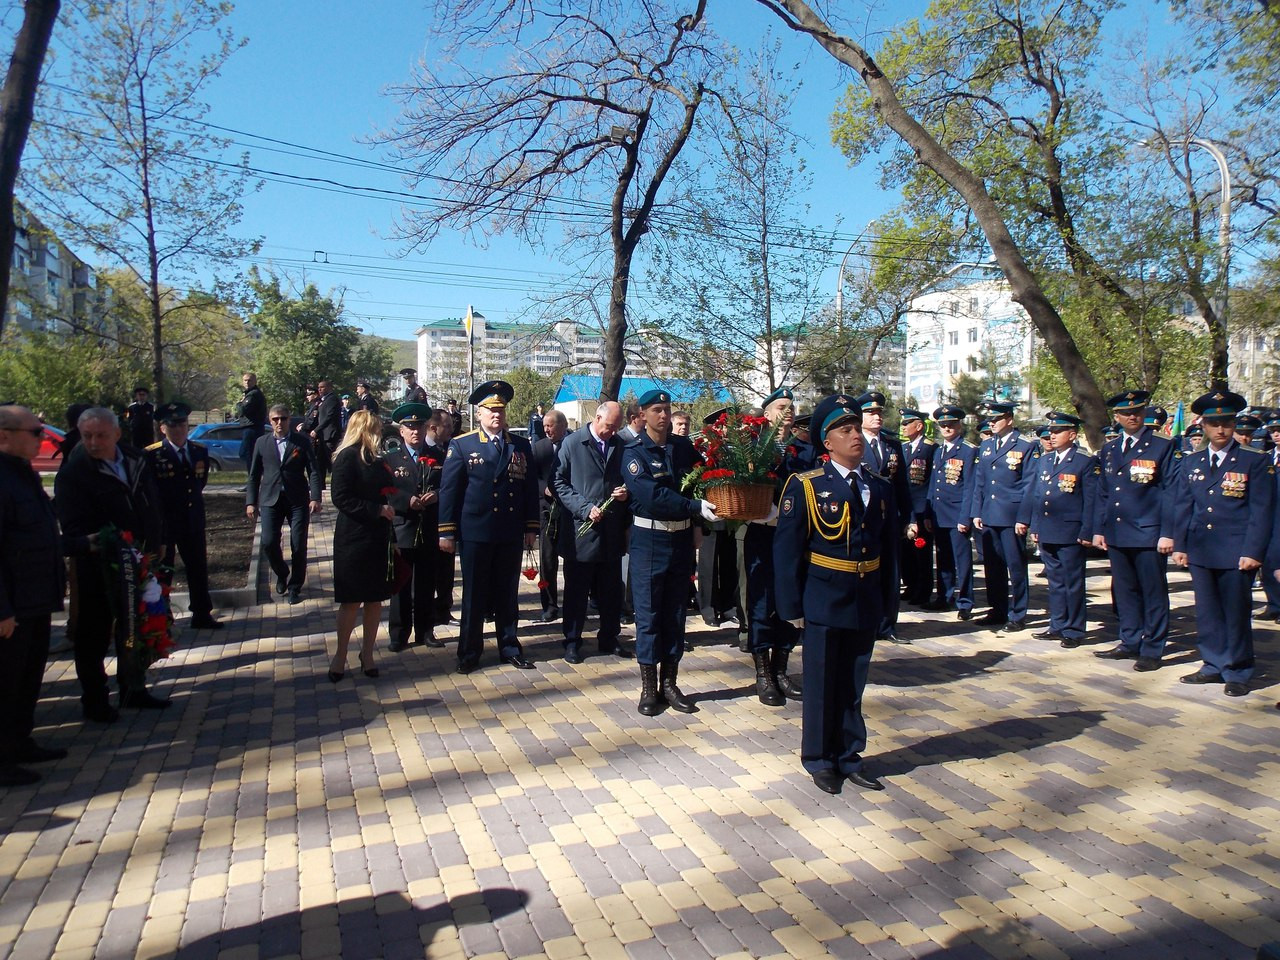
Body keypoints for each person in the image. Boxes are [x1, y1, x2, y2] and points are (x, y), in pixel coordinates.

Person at [774, 394, 896, 794]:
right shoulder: (807, 486)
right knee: (822, 683)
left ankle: (849, 755)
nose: (855, 435)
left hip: (864, 596)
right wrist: (791, 606)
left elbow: (888, 549)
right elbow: (788, 551)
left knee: (853, 683)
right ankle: (819, 758)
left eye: (857, 427)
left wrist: (888, 603)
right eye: (845, 430)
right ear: (827, 442)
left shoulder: (878, 486)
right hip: (824, 598)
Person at [55, 407, 166, 719]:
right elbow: (72, 528)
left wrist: (158, 539)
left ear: (117, 434)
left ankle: (133, 688)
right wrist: (105, 542)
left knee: (135, 625)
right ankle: (95, 700)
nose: (93, 442)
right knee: (93, 633)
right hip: (97, 564)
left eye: (101, 435)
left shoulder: (136, 459)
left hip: (139, 558)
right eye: (87, 436)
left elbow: (152, 503)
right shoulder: (74, 473)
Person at [1171, 391, 1274, 698]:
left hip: (1236, 550)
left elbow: (1262, 510)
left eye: (1227, 423)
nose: (1221, 429)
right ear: (1203, 426)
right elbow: (1183, 506)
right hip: (1202, 547)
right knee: (1207, 611)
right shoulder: (1192, 461)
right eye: (1214, 424)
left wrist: (1253, 551)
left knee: (1235, 612)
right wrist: (1180, 545)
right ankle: (1212, 663)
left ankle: (1237, 669)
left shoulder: (1254, 460)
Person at [623, 389, 718, 716]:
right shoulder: (634, 452)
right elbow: (653, 497)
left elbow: (704, 476)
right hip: (650, 540)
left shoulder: (683, 447)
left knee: (676, 614)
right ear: (642, 415)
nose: (663, 415)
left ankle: (670, 683)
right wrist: (694, 507)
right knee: (649, 616)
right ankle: (649, 688)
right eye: (656, 410)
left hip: (680, 541)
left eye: (667, 409)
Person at [438, 380, 540, 674]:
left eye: (501, 410)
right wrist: (446, 532)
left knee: (507, 593)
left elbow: (529, 489)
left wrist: (531, 527)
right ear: (479, 413)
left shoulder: (520, 445)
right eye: (491, 410)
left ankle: (509, 647)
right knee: (474, 595)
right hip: (476, 532)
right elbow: (450, 492)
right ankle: (469, 652)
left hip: (509, 530)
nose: (497, 415)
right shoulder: (463, 444)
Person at [0, 405, 67, 786]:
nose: (42, 438)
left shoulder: (22, 473)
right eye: (35, 432)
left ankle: (20, 742)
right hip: (13, 605)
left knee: (28, 678)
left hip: (36, 598)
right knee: (6, 683)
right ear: (4, 435)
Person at [1091, 390, 1179, 671]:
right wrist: (1099, 528)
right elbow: (1104, 492)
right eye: (1126, 413)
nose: (1132, 417)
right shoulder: (1110, 449)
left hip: (1148, 532)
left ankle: (1152, 648)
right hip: (1118, 531)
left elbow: (1171, 492)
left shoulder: (1162, 445)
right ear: (1116, 417)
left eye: (1137, 412)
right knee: (1125, 590)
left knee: (1153, 592)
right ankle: (1129, 640)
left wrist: (1168, 532)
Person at [553, 401, 633, 663]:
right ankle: (572, 641)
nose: (613, 432)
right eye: (609, 426)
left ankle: (609, 637)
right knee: (577, 593)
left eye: (617, 427)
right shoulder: (573, 443)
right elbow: (559, 482)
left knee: (611, 591)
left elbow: (629, 478)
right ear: (597, 418)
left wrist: (625, 492)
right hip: (581, 533)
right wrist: (584, 508)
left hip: (611, 532)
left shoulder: (620, 445)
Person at [742, 386, 804, 706]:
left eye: (791, 406)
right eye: (781, 406)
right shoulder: (752, 447)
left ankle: (781, 670)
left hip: (794, 538)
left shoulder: (803, 449)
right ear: (766, 415)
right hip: (763, 534)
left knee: (789, 602)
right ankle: (763, 673)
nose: (788, 411)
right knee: (762, 602)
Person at [1016, 412, 1098, 648]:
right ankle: (1057, 624)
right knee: (1055, 582)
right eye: (1051, 431)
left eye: (1058, 431)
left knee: (1073, 582)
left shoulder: (1084, 461)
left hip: (1071, 531)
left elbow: (1090, 500)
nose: (1052, 435)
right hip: (1048, 529)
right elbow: (1037, 495)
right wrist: (1035, 525)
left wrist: (1087, 531)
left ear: (1072, 435)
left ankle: (1074, 629)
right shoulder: (1045, 460)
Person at [328, 410, 397, 681]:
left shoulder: (378, 460)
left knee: (374, 599)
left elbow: (387, 490)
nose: (380, 433)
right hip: (353, 538)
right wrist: (375, 510)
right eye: (375, 428)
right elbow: (340, 497)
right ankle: (340, 655)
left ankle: (367, 654)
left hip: (377, 537)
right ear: (363, 430)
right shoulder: (347, 457)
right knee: (351, 600)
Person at [146, 403, 222, 630]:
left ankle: (201, 614)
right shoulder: (152, 454)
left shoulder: (199, 450)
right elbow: (151, 492)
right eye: (173, 425)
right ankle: (162, 617)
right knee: (163, 570)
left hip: (192, 519)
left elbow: (199, 483)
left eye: (182, 424)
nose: (178, 429)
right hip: (166, 523)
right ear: (163, 428)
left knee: (197, 568)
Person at [966, 400, 1037, 632]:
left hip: (1011, 516)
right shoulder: (987, 445)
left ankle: (1018, 613)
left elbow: (1029, 485)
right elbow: (980, 482)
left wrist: (1023, 518)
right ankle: (997, 609)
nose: (992, 423)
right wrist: (976, 511)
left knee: (1016, 567)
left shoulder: (1025, 445)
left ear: (1009, 420)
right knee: (992, 567)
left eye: (996, 419)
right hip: (989, 514)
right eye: (990, 420)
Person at [246, 403, 322, 605]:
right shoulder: (261, 443)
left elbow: (314, 471)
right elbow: (254, 475)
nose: (279, 423)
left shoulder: (301, 442)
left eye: (283, 419)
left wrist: (315, 497)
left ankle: (295, 587)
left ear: (289, 420)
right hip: (270, 499)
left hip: (297, 500)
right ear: (270, 421)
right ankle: (281, 573)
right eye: (275, 419)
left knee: (298, 544)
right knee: (269, 542)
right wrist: (251, 502)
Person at [385, 403, 442, 650]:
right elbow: (386, 490)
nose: (415, 431)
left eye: (419, 426)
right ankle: (399, 633)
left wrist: (437, 495)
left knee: (426, 583)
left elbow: (449, 485)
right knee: (401, 584)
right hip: (403, 526)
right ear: (402, 431)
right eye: (410, 427)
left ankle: (425, 630)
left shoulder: (439, 456)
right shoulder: (390, 458)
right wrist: (406, 500)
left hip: (428, 527)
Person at [857, 392, 910, 644]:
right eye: (870, 413)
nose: (877, 417)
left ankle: (887, 624)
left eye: (879, 412)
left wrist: (908, 517)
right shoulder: (853, 441)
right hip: (864, 515)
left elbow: (902, 484)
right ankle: (865, 622)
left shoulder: (892, 444)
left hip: (889, 516)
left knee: (891, 570)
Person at [928, 405, 978, 619]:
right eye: (943, 425)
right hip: (939, 513)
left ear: (959, 425)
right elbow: (933, 484)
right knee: (943, 558)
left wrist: (965, 517)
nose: (947, 428)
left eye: (951, 424)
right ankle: (944, 596)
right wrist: (928, 513)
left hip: (957, 514)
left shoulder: (968, 450)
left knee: (962, 561)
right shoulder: (938, 450)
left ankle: (965, 602)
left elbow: (970, 487)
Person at [532, 409, 569, 621]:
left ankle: (574, 602)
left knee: (573, 560)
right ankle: (549, 604)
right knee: (547, 561)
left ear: (563, 426)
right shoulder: (539, 448)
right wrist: (544, 488)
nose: (546, 430)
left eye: (550, 425)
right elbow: (531, 477)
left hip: (569, 511)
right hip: (547, 511)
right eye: (544, 426)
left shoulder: (573, 445)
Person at [899, 409, 936, 607]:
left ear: (919, 426)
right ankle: (911, 585)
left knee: (921, 551)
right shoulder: (903, 448)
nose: (903, 427)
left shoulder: (930, 448)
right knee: (906, 552)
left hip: (922, 507)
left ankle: (923, 590)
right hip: (906, 507)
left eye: (907, 423)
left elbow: (933, 481)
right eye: (903, 424)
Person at [426, 411, 456, 626]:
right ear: (434, 428)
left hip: (448, 519)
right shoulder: (422, 450)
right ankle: (425, 613)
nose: (451, 430)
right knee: (428, 570)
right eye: (447, 426)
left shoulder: (452, 449)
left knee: (446, 569)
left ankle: (444, 610)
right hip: (426, 519)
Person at [236, 372, 268, 466]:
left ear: (255, 381)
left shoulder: (253, 394)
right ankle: (254, 471)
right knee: (248, 453)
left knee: (247, 453)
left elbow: (243, 410)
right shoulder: (249, 394)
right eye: (245, 380)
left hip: (252, 428)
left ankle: (253, 473)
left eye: (249, 380)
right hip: (251, 427)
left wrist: (239, 403)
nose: (247, 382)